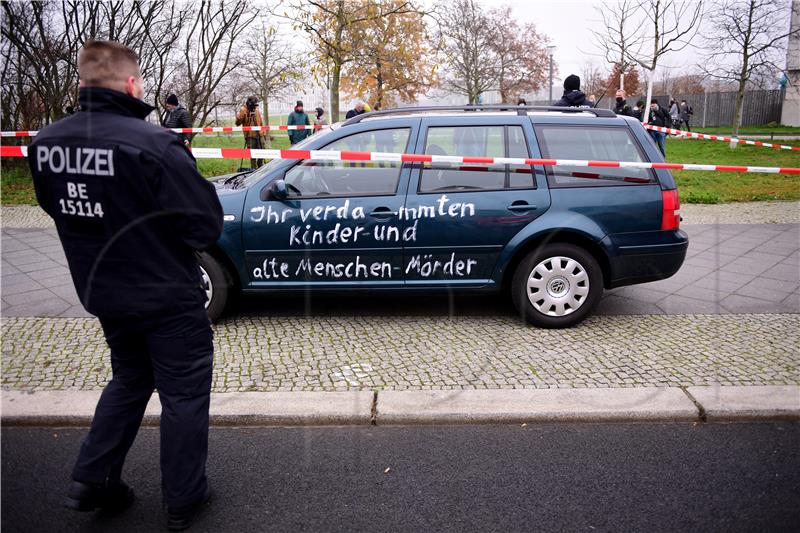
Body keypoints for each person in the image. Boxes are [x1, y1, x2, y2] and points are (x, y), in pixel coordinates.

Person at [27, 40, 222, 531]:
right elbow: (203, 226)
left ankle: (92, 479)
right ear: (133, 84)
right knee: (183, 393)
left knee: (131, 378)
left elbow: (57, 207)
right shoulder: (154, 144)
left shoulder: (45, 142)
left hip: (105, 293)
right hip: (166, 296)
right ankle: (184, 499)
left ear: (80, 82)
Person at [235, 96, 266, 168]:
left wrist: (263, 132)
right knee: (252, 155)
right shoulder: (244, 110)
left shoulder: (256, 110)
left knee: (262, 152)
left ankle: (261, 167)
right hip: (250, 136)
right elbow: (237, 123)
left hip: (259, 135)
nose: (254, 107)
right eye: (253, 105)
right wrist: (242, 116)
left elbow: (260, 122)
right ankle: (253, 170)